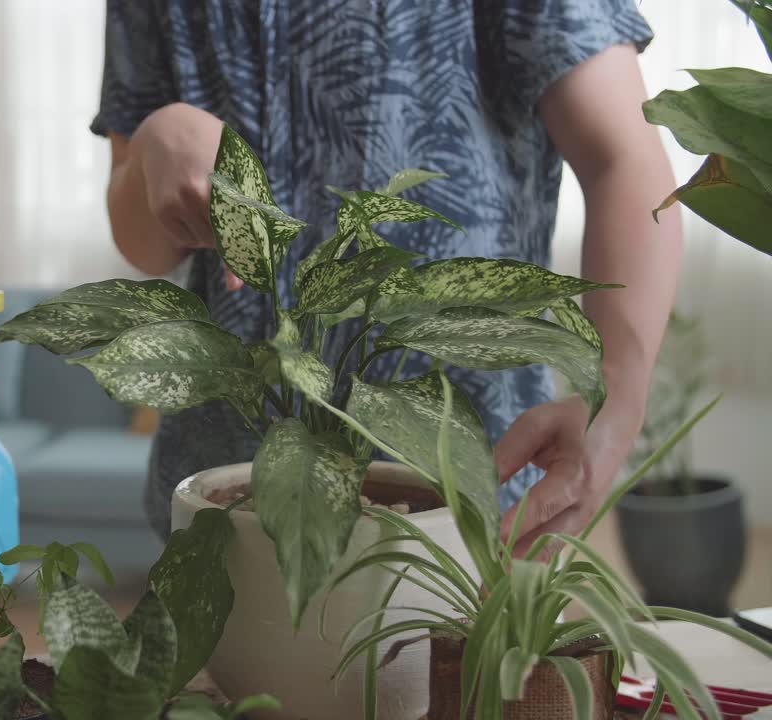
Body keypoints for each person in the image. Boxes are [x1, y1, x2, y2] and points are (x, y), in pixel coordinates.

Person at [94, 0, 683, 553]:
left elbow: (623, 160)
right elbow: (142, 245)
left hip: (462, 480)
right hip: (225, 484)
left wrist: (612, 393)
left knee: (443, 663)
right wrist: (155, 142)